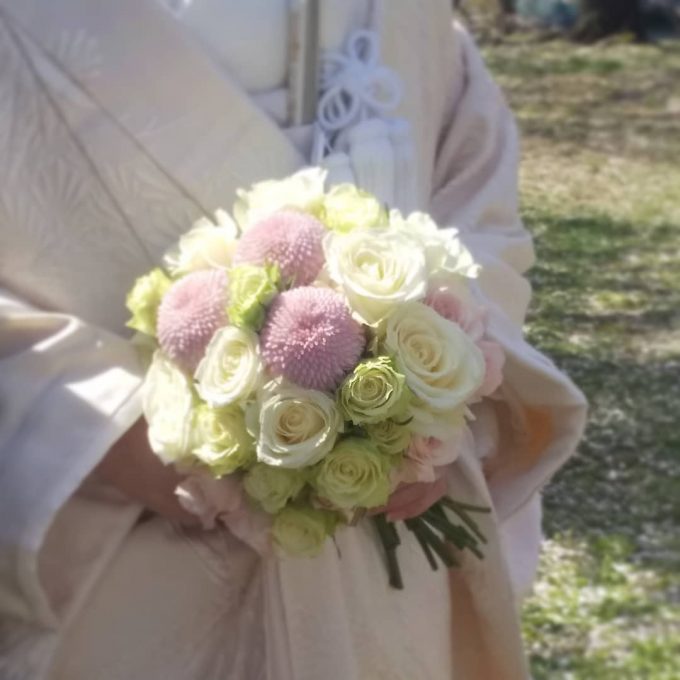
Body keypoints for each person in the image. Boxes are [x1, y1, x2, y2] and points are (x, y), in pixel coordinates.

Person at [0, 1, 587, 678]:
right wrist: (91, 421)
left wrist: (439, 377)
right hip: (129, 548)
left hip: (387, 544)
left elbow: (477, 196)